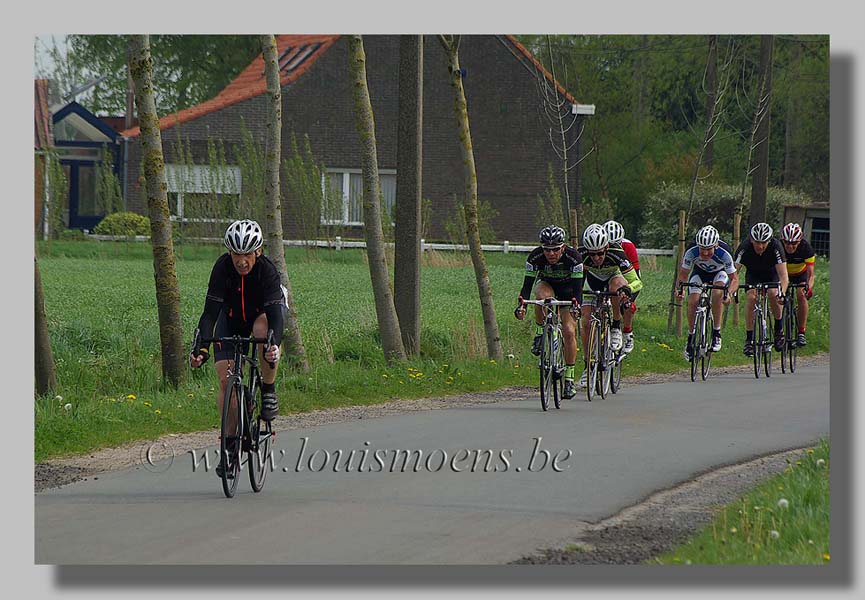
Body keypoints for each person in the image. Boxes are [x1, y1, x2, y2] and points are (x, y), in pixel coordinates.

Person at [190, 219, 286, 476]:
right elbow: (209, 314)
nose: (241, 261)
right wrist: (201, 348)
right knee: (225, 377)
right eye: (236, 254)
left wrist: (273, 345)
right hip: (230, 319)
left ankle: (268, 388)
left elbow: (276, 313)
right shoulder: (221, 268)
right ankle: (230, 448)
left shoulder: (267, 271)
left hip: (262, 317)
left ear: (258, 252)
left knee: (262, 333)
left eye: (246, 255)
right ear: (229, 253)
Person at [515, 225, 584, 399]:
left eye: (555, 250)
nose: (551, 254)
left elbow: (578, 291)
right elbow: (526, 288)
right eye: (547, 250)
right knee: (541, 297)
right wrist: (522, 306)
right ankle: (540, 334)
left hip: (569, 293)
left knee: (569, 331)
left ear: (563, 247)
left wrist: (576, 307)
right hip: (548, 286)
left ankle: (569, 379)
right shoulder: (535, 257)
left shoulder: (574, 258)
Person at [577, 224, 641, 387]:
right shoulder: (581, 254)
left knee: (617, 286)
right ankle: (588, 366)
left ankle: (615, 325)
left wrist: (627, 289)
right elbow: (575, 280)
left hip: (614, 279)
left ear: (606, 247)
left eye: (600, 253)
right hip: (592, 283)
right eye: (593, 254)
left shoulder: (617, 254)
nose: (597, 258)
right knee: (585, 323)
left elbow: (637, 282)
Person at [676, 225, 738, 360]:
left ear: (715, 246)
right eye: (702, 249)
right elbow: (683, 274)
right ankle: (690, 337)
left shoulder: (724, 253)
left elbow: (734, 279)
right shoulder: (691, 251)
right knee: (693, 301)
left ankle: (717, 333)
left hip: (719, 274)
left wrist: (729, 293)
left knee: (717, 293)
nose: (704, 253)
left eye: (708, 249)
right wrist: (680, 290)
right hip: (700, 273)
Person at [733, 222, 788, 356]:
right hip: (753, 275)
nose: (760, 246)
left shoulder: (776, 246)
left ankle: (778, 329)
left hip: (772, 274)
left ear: (769, 240)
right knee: (751, 298)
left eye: (764, 242)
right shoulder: (744, 247)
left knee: (773, 293)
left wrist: (782, 293)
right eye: (757, 242)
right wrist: (731, 290)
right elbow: (733, 273)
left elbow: (783, 277)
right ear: (751, 239)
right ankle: (749, 339)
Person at [603, 220, 641, 354]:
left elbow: (635, 276)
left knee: (627, 306)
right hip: (607, 276)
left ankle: (627, 332)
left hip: (626, 277)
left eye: (617, 243)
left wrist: (628, 292)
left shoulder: (628, 246)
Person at [780, 222, 816, 346]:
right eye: (787, 243)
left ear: (800, 241)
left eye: (794, 243)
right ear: (782, 241)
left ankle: (801, 332)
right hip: (783, 274)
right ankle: (778, 330)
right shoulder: (778, 247)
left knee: (801, 295)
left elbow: (811, 274)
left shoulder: (806, 248)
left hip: (800, 274)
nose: (790, 246)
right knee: (777, 295)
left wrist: (809, 288)